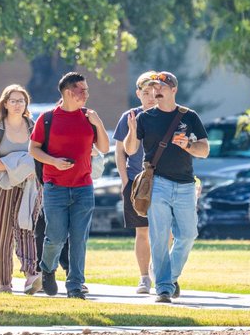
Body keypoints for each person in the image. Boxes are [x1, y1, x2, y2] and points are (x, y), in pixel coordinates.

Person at [123, 72, 210, 303]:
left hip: (185, 184)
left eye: (161, 86)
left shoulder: (188, 116)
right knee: (159, 237)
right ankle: (163, 288)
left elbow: (205, 150)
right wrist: (132, 131)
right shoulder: (144, 118)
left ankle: (167, 277)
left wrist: (189, 145)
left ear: (173, 90)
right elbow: (131, 150)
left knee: (188, 235)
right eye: (153, 87)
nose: (156, 90)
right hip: (157, 183)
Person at [30, 72, 109, 299]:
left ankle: (75, 285)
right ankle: (47, 269)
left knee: (78, 238)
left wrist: (99, 123)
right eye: (81, 90)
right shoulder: (47, 119)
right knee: (54, 236)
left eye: (87, 90)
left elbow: (103, 148)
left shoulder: (89, 118)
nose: (86, 94)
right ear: (67, 92)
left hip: (84, 187)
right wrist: (53, 161)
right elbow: (33, 149)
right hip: (55, 187)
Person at [0, 84, 42, 293]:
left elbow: (40, 155)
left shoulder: (33, 126)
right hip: (0, 184)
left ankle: (31, 275)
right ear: (5, 103)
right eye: (13, 101)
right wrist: (16, 165)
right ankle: (3, 280)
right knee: (1, 231)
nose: (17, 105)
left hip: (29, 184)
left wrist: (28, 169)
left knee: (27, 227)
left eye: (21, 101)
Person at [113, 72, 158, 294]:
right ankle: (144, 277)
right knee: (142, 231)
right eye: (146, 92)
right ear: (138, 93)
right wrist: (124, 181)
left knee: (166, 231)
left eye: (154, 92)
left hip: (164, 180)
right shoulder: (129, 116)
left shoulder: (168, 115)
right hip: (136, 182)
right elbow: (121, 152)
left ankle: (156, 267)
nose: (151, 96)